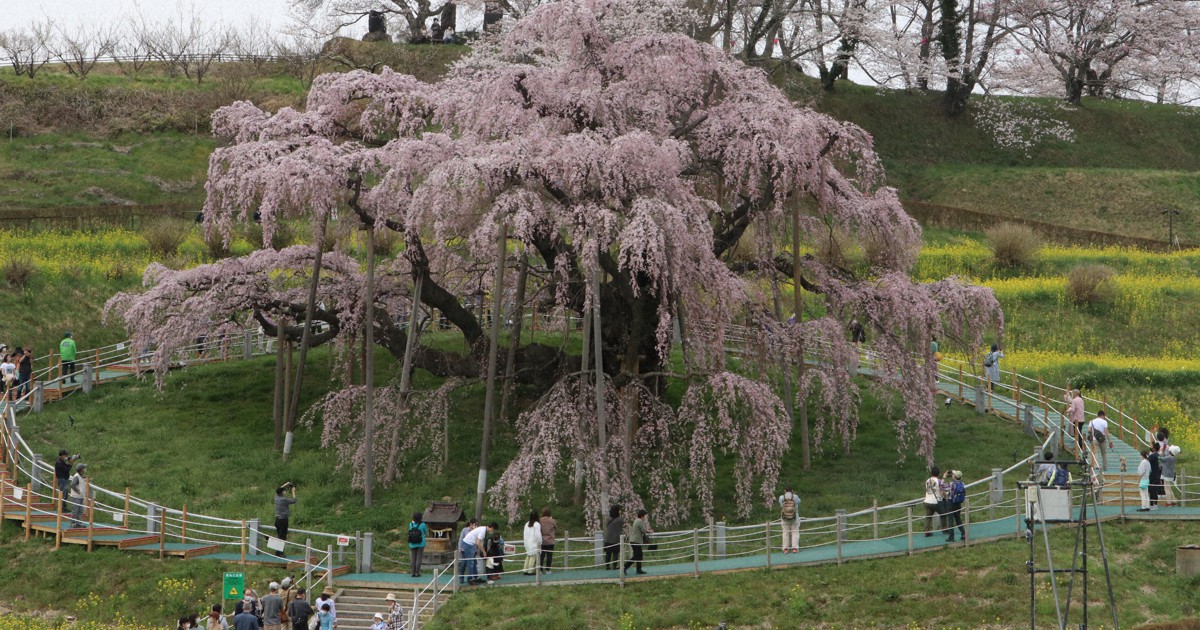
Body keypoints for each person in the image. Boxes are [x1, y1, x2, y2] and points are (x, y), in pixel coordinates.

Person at [461, 520, 492, 584]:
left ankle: (475, 578)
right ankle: (470, 579)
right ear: (491, 527)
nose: (492, 531)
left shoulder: (483, 529)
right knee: (470, 562)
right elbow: (478, 542)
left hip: (471, 545)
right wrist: (483, 551)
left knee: (474, 562)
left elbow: (477, 541)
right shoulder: (483, 531)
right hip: (468, 544)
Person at [623, 509, 650, 576]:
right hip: (636, 541)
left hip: (634, 541)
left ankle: (638, 569)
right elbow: (643, 530)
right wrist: (649, 531)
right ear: (642, 516)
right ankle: (625, 566)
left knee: (639, 555)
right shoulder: (640, 521)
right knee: (636, 556)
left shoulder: (636, 520)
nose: (645, 518)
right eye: (645, 516)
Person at [274, 483, 297, 557]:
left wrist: (287, 484)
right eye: (284, 491)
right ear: (282, 493)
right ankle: (279, 552)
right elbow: (294, 500)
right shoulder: (284, 499)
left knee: (279, 535)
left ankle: (278, 551)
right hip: (283, 520)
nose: (285, 491)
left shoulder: (276, 497)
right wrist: (293, 491)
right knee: (282, 537)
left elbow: (278, 490)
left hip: (277, 520)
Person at [943, 470, 966, 542]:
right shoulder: (962, 483)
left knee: (950, 520)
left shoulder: (952, 484)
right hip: (958, 503)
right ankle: (963, 534)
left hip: (951, 503)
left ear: (954, 476)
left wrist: (944, 477)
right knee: (958, 519)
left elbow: (942, 486)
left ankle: (951, 537)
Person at [778, 485, 800, 553]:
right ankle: (795, 548)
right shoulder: (795, 497)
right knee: (795, 532)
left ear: (784, 491)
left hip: (785, 517)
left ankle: (785, 549)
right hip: (794, 517)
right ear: (792, 491)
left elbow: (781, 506)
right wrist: (793, 494)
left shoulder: (781, 497)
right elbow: (799, 502)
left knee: (785, 533)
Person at [922, 466, 943, 537]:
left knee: (928, 517)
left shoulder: (927, 481)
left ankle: (926, 531)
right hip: (935, 501)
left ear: (931, 473)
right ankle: (945, 529)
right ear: (938, 473)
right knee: (943, 514)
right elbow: (942, 489)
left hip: (927, 500)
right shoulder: (939, 481)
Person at [603, 505, 624, 570]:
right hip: (616, 539)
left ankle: (607, 566)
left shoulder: (608, 519)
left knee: (608, 553)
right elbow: (622, 523)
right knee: (615, 553)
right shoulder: (620, 520)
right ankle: (614, 566)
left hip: (608, 538)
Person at [522, 509, 542, 575]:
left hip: (527, 543)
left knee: (528, 556)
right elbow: (538, 535)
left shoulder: (526, 524)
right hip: (534, 543)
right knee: (533, 557)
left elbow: (524, 534)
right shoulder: (537, 524)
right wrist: (539, 542)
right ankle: (530, 571)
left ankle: (525, 570)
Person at [68, 463, 88, 528]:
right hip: (76, 496)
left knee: (80, 510)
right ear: (81, 469)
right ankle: (72, 523)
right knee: (75, 510)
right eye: (83, 468)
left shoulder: (81, 476)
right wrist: (77, 491)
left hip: (80, 496)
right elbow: (72, 484)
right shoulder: (77, 476)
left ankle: (79, 523)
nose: (84, 469)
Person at [408, 511, 428, 577]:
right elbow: (425, 532)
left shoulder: (411, 524)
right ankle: (417, 572)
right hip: (421, 543)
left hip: (412, 543)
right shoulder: (423, 524)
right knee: (419, 558)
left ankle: (412, 572)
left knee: (413, 558)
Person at [539, 506, 557, 572]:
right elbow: (555, 527)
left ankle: (540, 569)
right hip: (550, 541)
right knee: (549, 556)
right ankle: (548, 570)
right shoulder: (552, 521)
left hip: (542, 541)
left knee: (541, 556)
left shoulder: (540, 520)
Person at [1148, 442, 1163, 510]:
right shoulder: (1159, 456)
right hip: (1158, 475)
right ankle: (1155, 504)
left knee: (1151, 490)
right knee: (1156, 490)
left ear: (1154, 448)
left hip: (1152, 475)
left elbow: (1147, 460)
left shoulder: (1152, 456)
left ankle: (1151, 504)